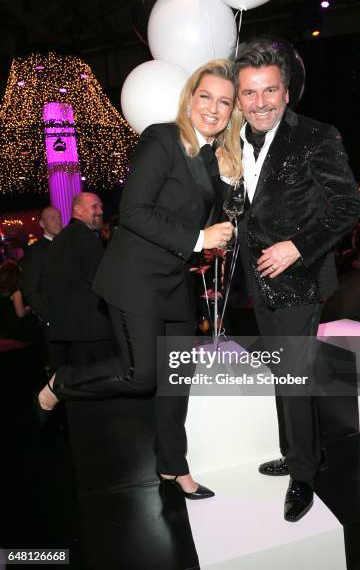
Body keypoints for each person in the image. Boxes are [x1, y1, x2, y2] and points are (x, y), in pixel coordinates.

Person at [37, 59, 241, 499]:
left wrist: (207, 241)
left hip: (173, 282)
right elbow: (133, 212)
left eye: (224, 101)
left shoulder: (214, 159)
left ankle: (173, 467)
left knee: (176, 380)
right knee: (141, 374)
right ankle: (62, 383)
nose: (213, 107)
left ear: (231, 112)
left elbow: (199, 220)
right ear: (190, 98)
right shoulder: (162, 138)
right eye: (205, 96)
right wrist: (198, 236)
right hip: (134, 280)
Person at [229, 40, 360, 521]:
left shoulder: (316, 135)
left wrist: (298, 246)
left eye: (269, 90)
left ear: (286, 92)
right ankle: (298, 450)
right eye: (249, 93)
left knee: (294, 376)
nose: (259, 102)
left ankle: (304, 472)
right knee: (283, 377)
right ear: (239, 97)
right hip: (256, 280)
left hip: (298, 282)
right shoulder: (234, 138)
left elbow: (349, 206)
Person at [42, 193, 115, 370]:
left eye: (101, 207)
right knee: (108, 377)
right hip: (94, 326)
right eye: (94, 206)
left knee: (82, 383)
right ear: (77, 210)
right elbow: (99, 278)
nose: (100, 211)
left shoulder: (61, 238)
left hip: (72, 328)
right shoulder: (84, 234)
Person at [21, 206, 62, 373]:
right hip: (54, 320)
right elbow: (29, 289)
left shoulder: (68, 245)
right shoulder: (35, 251)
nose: (57, 220)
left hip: (75, 318)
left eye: (59, 216)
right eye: (51, 217)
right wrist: (48, 317)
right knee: (60, 366)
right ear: (42, 224)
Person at [0, 260, 37, 342]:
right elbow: (20, 314)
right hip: (17, 332)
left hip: (4, 330)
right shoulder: (15, 291)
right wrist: (28, 309)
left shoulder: (1, 291)